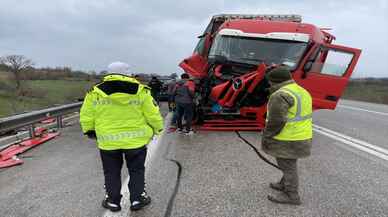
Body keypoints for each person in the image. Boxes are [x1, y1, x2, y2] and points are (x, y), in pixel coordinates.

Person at [80, 61, 163, 212]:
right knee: (136, 170)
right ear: (128, 74)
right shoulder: (141, 90)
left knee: (111, 172)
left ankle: (113, 201)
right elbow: (153, 114)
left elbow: (86, 114)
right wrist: (158, 129)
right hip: (135, 142)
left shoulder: (94, 91)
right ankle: (137, 199)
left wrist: (89, 130)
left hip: (108, 142)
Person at [261, 66, 313, 205]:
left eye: (270, 82)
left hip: (288, 137)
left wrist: (267, 135)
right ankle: (283, 184)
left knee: (288, 165)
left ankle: (292, 196)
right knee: (288, 163)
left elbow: (277, 120)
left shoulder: (280, 95)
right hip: (302, 136)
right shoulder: (302, 91)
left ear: (274, 81)